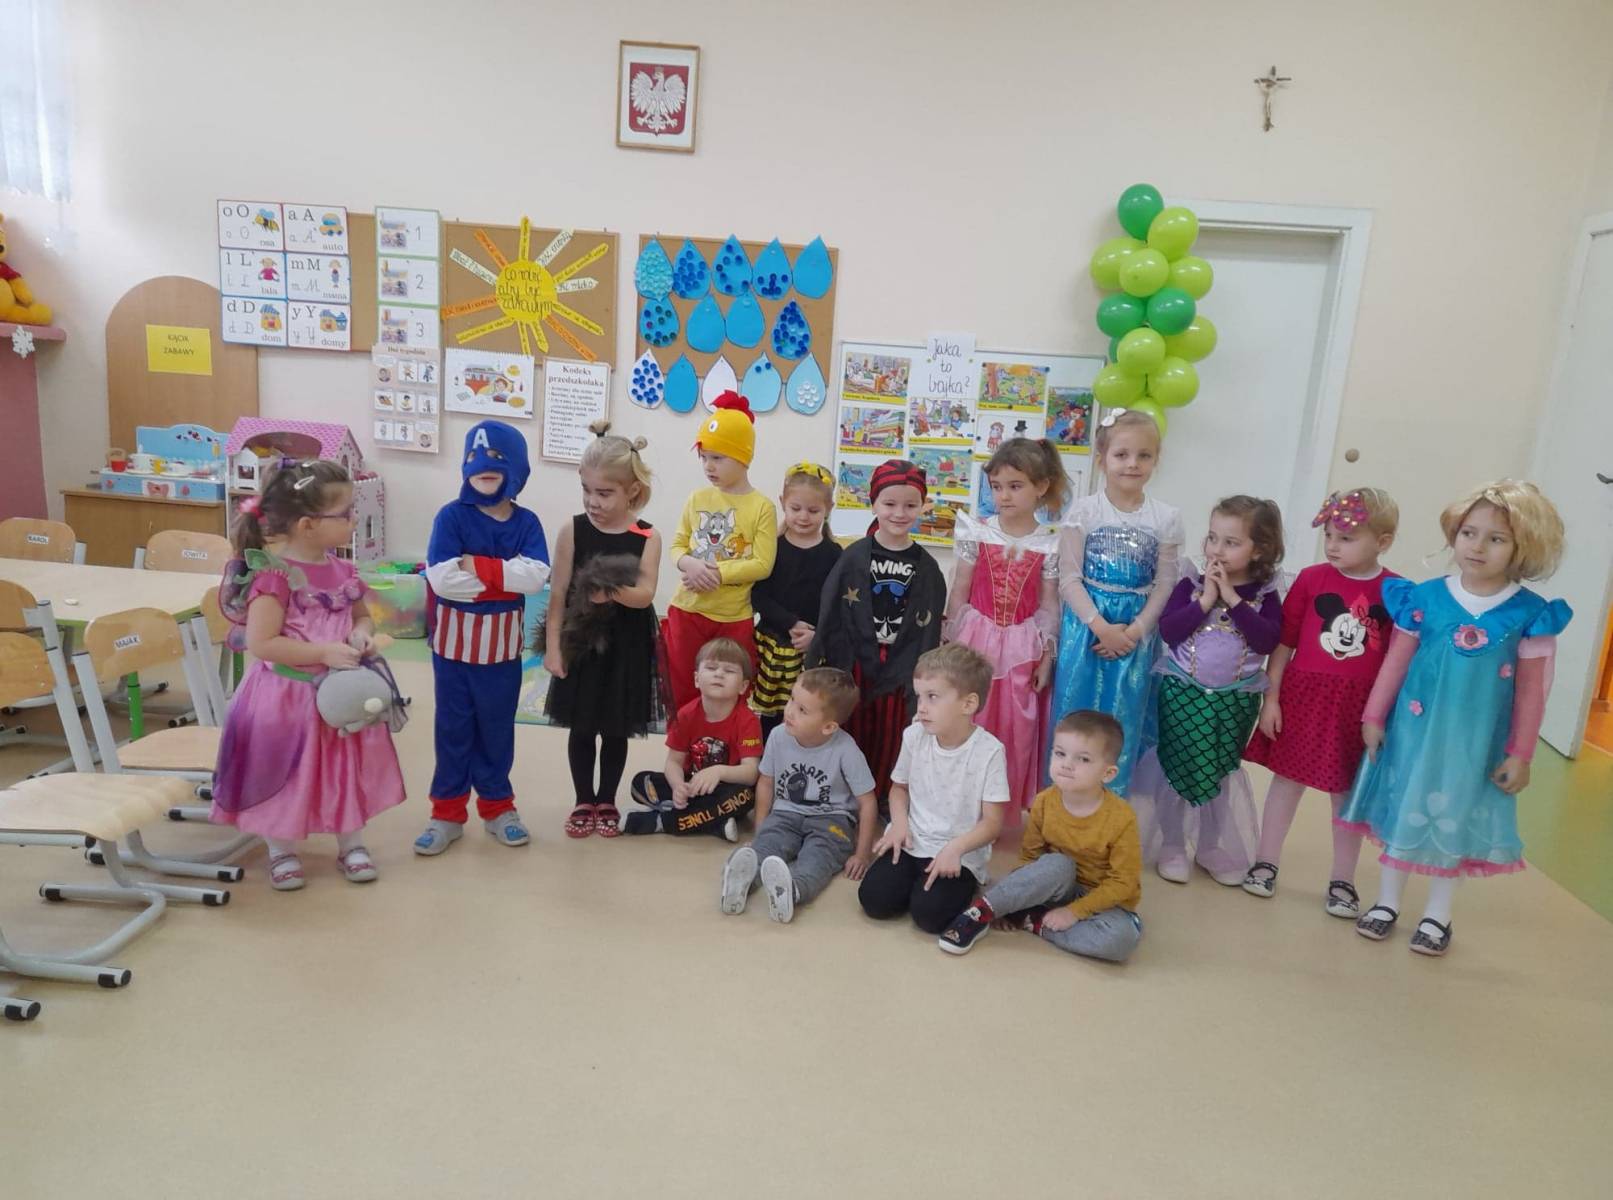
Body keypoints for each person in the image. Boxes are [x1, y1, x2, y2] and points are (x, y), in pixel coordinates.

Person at [1338, 480, 1570, 957]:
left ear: (1522, 547)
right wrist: (1373, 715)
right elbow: (1396, 662)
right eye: (1469, 533)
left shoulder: (1529, 614)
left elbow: (1533, 692)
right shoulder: (1424, 598)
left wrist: (1522, 752)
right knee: (1404, 807)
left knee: (1454, 819)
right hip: (1413, 734)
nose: (1477, 547)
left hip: (1476, 743)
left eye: (1496, 538)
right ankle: (1387, 902)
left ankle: (1437, 915)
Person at [211, 459, 405, 890]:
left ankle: (351, 843)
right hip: (285, 698)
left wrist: (360, 634)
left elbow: (361, 616)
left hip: (338, 697)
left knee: (342, 767)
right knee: (282, 773)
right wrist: (322, 652)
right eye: (346, 513)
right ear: (308, 525)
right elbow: (263, 644)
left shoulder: (344, 571)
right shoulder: (273, 577)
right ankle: (280, 850)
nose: (354, 520)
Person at [1241, 489, 1399, 915]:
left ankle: (1342, 880)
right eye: (1329, 535)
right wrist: (1271, 699)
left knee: (1346, 795)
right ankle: (1265, 862)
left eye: (1346, 538)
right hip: (1303, 698)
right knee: (1286, 783)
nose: (1332, 545)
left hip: (1357, 709)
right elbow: (1284, 644)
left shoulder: (1397, 591)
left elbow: (1397, 661)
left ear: (1382, 541)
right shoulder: (1311, 580)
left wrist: (1379, 716)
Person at [414, 421, 550, 856]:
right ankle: (446, 813)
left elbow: (536, 577)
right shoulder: (451, 516)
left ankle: (497, 807)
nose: (483, 467)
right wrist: (504, 579)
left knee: (496, 731)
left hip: (502, 653)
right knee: (452, 730)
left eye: (495, 459)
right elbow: (442, 580)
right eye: (475, 458)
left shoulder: (527, 522)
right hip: (452, 653)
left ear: (516, 469)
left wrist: (475, 566)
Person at [1132, 496, 1283, 886]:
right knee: (1176, 768)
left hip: (1236, 700)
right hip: (1183, 692)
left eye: (1231, 542)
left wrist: (1232, 599)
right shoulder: (1191, 584)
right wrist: (1206, 601)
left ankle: (1210, 846)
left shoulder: (1266, 595)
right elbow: (1170, 631)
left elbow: (1266, 640)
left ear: (1259, 550)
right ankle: (1172, 844)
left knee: (1219, 771)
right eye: (1213, 538)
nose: (1216, 549)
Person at [1049, 408, 1182, 795]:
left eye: (1144, 455)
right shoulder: (1084, 511)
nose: (1132, 464)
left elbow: (1165, 584)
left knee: (1124, 716)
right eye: (1121, 454)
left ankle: (1112, 806)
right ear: (1102, 459)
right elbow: (1068, 578)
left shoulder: (1165, 518)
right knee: (1076, 716)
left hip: (1135, 632)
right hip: (1087, 629)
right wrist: (1101, 627)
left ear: (1156, 459)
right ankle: (1064, 803)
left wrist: (1133, 632)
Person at [938, 710, 1141, 962]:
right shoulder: (1044, 802)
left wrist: (1075, 912)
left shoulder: (1122, 818)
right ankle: (982, 911)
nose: (1067, 764)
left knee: (1121, 940)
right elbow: (1030, 858)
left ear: (1108, 773)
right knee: (1059, 864)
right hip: (1057, 886)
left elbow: (1123, 883)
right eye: (1060, 753)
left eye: (1083, 759)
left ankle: (1034, 922)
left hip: (1101, 901)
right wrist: (1018, 895)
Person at [544, 421, 662, 839]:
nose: (593, 501)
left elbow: (645, 594)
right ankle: (583, 799)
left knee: (616, 724)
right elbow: (558, 593)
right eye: (587, 490)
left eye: (605, 493)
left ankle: (607, 799)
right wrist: (553, 647)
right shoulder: (572, 530)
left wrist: (609, 591)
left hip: (626, 643)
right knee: (581, 723)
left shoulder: (646, 535)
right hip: (582, 640)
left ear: (632, 490)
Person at [807, 459, 946, 801]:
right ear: (873, 504)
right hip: (854, 661)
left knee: (890, 734)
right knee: (849, 726)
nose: (899, 513)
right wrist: (817, 659)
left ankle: (883, 798)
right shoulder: (854, 556)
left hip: (900, 666)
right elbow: (830, 610)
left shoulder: (927, 567)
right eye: (889, 504)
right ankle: (840, 796)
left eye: (910, 505)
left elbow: (929, 629)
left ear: (922, 507)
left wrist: (926, 675)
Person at [946, 438, 1068, 812]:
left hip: (1021, 648)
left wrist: (1047, 657)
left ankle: (1002, 810)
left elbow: (1049, 605)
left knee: (1017, 727)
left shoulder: (1050, 542)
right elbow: (960, 591)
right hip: (976, 640)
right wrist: (950, 645)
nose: (1004, 496)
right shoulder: (977, 531)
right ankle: (961, 806)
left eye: (1015, 486)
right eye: (996, 487)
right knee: (971, 716)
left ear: (1041, 487)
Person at [857, 645, 1010, 934]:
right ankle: (917, 882)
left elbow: (992, 823)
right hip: (913, 839)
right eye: (919, 696)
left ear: (968, 704)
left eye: (933, 697)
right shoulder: (914, 735)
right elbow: (899, 789)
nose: (921, 707)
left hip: (957, 851)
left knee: (929, 917)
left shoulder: (989, 751)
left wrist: (955, 849)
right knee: (874, 900)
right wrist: (899, 824)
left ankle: (965, 887)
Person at [721, 668, 877, 923]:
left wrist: (862, 854)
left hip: (832, 819)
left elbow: (867, 801)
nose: (790, 711)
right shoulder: (778, 736)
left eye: (802, 710)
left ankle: (793, 890)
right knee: (768, 845)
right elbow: (766, 783)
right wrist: (760, 831)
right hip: (785, 813)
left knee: (818, 857)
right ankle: (740, 883)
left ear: (829, 726)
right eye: (792, 699)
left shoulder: (846, 749)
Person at [663, 391, 777, 711]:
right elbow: (677, 546)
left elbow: (762, 564)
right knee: (682, 690)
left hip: (733, 617)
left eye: (718, 458)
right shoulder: (697, 498)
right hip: (687, 611)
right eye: (704, 457)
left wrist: (715, 572)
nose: (708, 466)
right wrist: (689, 564)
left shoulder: (762, 507)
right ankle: (682, 745)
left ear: (743, 458)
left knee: (731, 696)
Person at [621, 638, 762, 840]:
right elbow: (673, 762)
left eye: (729, 670)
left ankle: (663, 822)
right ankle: (712, 823)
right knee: (641, 782)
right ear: (696, 679)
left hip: (725, 790)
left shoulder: (747, 720)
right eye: (711, 668)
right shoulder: (685, 715)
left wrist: (718, 771)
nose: (719, 674)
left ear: (743, 686)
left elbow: (751, 772)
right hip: (691, 786)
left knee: (746, 796)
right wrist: (678, 786)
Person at [749, 462, 842, 743]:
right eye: (796, 508)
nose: (803, 517)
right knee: (770, 716)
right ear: (783, 503)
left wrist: (817, 636)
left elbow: (837, 606)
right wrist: (790, 622)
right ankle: (767, 763)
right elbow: (757, 595)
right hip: (772, 642)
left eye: (813, 511)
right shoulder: (771, 547)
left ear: (828, 508)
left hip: (810, 649)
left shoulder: (834, 554)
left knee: (806, 712)